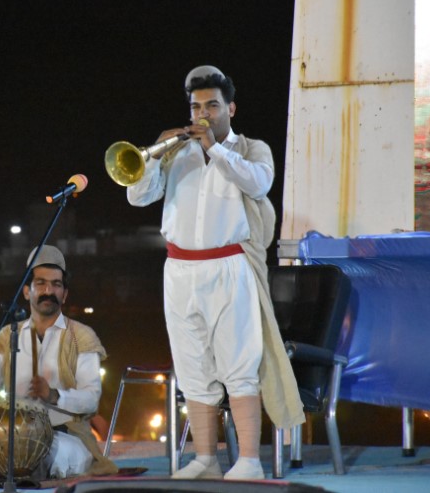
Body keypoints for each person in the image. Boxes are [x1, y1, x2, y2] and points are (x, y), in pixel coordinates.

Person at [126, 65, 304, 480]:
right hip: (179, 270)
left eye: (212, 106)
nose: (202, 114)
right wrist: (154, 154)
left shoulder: (252, 149)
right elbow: (138, 196)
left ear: (230, 109)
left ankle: (249, 462)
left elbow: (259, 184)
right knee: (192, 366)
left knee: (239, 364)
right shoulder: (176, 152)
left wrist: (215, 149)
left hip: (229, 267)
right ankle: (205, 460)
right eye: (195, 107)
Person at [0, 245, 118, 479]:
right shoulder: (9, 335)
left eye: (56, 284)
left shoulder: (82, 336)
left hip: (64, 436)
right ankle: (11, 466)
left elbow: (90, 399)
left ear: (64, 295)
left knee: (53, 455)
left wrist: (54, 395)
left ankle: (13, 468)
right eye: (41, 283)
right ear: (27, 292)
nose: (49, 291)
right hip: (9, 434)